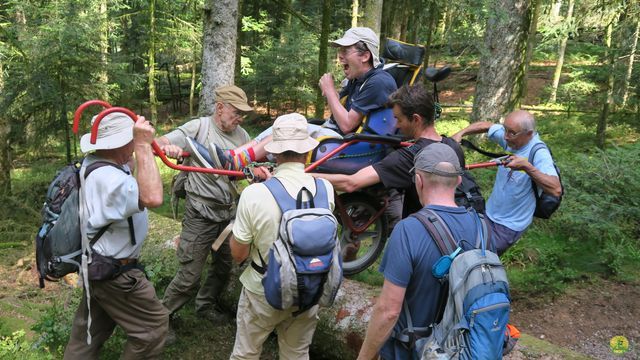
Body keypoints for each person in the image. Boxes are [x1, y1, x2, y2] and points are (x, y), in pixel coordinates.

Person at [356, 143, 485, 360]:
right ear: (459, 181)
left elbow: (389, 311)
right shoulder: (482, 226)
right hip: (462, 350)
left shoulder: (408, 230)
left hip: (413, 351)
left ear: (418, 180)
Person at [203, 27, 397, 171]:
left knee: (288, 128)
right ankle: (233, 157)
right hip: (339, 137)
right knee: (284, 124)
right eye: (339, 52)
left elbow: (346, 125)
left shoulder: (378, 81)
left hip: (351, 145)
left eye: (345, 52)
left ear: (364, 56)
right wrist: (336, 95)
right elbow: (341, 117)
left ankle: (236, 162)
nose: (339, 58)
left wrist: (330, 91)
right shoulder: (358, 80)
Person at [229, 113, 335, 359]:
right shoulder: (325, 190)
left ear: (274, 153)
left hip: (262, 289)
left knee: (246, 352)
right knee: (296, 353)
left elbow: (238, 254)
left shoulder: (255, 194)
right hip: (309, 288)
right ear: (307, 152)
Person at [64, 112, 168, 359]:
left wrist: (154, 147)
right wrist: (142, 145)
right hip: (116, 273)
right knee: (152, 329)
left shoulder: (98, 162)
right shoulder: (109, 179)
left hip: (98, 265)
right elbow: (152, 196)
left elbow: (130, 164)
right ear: (124, 143)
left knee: (87, 336)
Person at [156, 85, 252, 329]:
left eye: (243, 113)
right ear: (220, 108)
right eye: (236, 112)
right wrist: (170, 148)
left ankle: (205, 306)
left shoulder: (242, 136)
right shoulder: (198, 128)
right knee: (189, 276)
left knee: (223, 267)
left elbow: (247, 167)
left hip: (228, 214)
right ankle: (161, 321)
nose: (240, 118)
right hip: (199, 213)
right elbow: (160, 142)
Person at [313, 83, 465, 219]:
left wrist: (303, 175)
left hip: (424, 233)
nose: (397, 126)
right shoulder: (453, 147)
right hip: (457, 228)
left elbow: (350, 183)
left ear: (416, 119)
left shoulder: (409, 157)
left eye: (399, 119)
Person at [451, 110, 562, 254]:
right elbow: (487, 125)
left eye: (511, 133)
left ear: (529, 134)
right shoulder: (513, 140)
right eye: (505, 129)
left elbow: (556, 189)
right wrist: (461, 133)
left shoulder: (539, 153)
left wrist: (527, 167)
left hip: (507, 227)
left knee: (477, 259)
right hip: (488, 213)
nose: (505, 136)